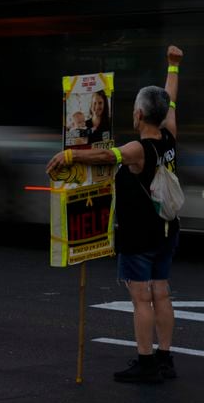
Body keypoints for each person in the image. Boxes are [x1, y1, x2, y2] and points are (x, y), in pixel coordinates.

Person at [47, 45, 183, 384]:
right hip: (168, 229)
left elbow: (107, 158)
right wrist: (173, 67)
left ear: (138, 115)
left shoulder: (138, 149)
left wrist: (70, 156)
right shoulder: (168, 138)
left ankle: (146, 362)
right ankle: (165, 359)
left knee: (141, 298)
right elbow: (170, 99)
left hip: (139, 235)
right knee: (162, 292)